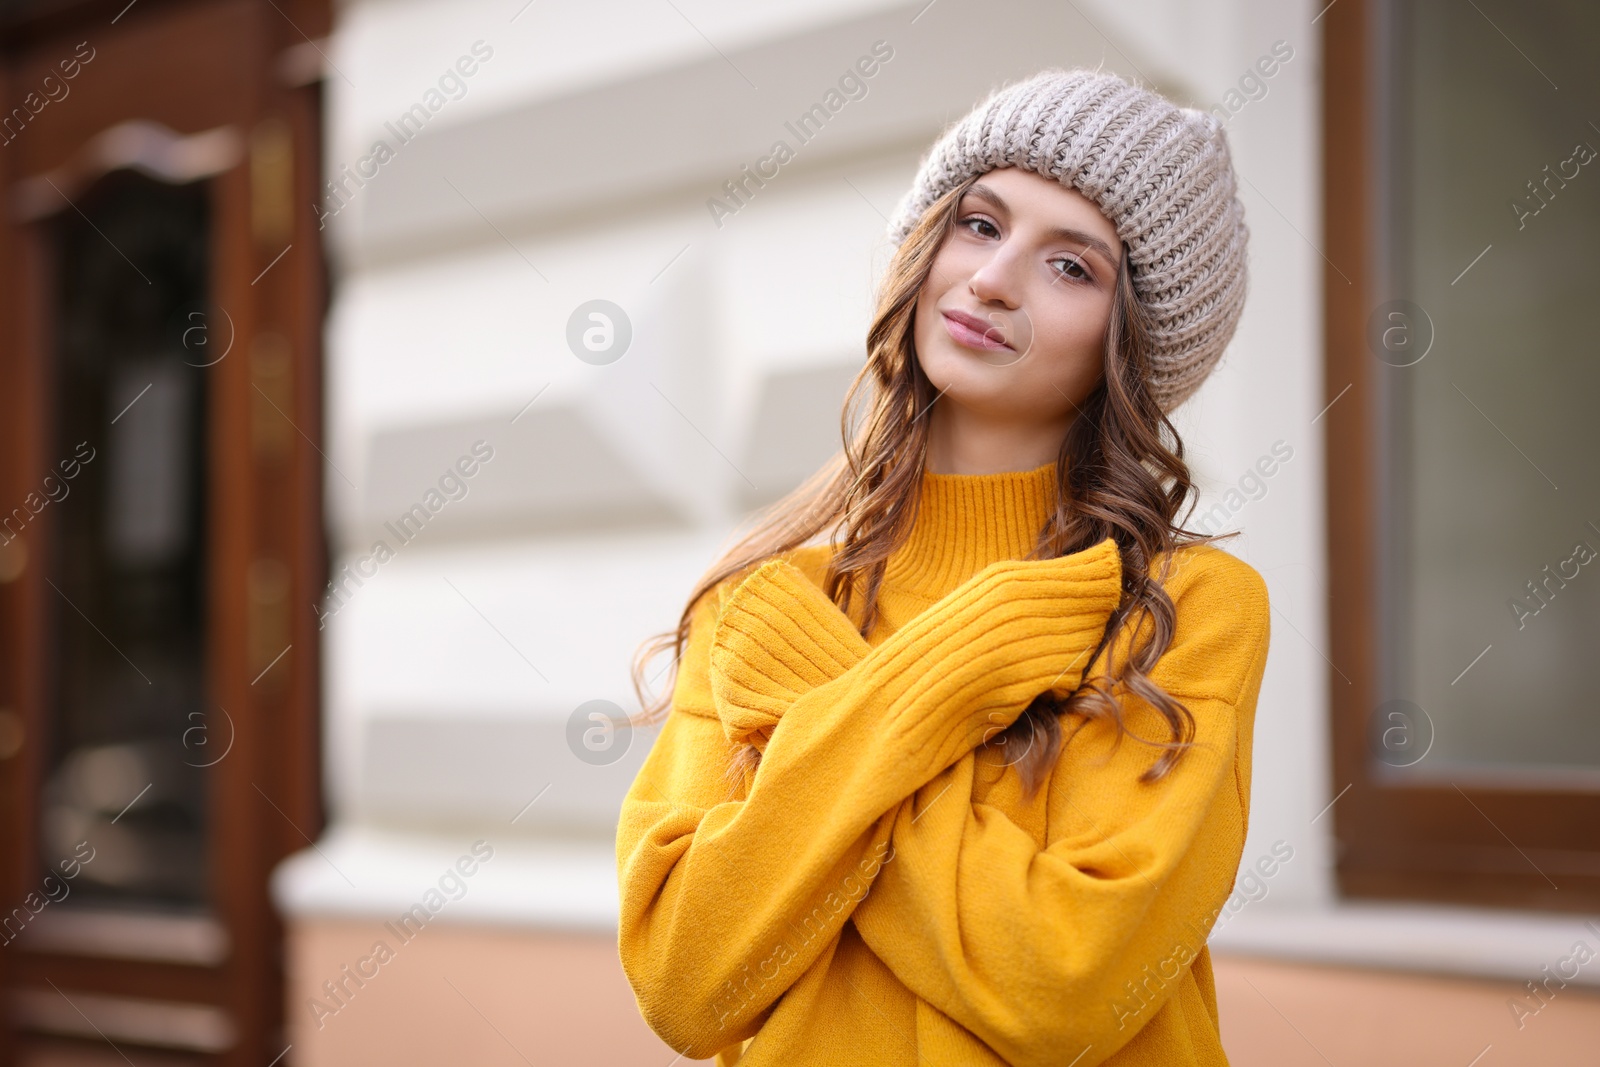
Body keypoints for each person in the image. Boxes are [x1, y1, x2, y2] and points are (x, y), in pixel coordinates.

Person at [615, 66, 1269, 1066]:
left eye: (1071, 267)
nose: (994, 278)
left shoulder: (1176, 610)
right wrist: (946, 679)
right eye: (978, 222)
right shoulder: (763, 604)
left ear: (1129, 344)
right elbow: (684, 980)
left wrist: (827, 711)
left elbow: (1066, 982)